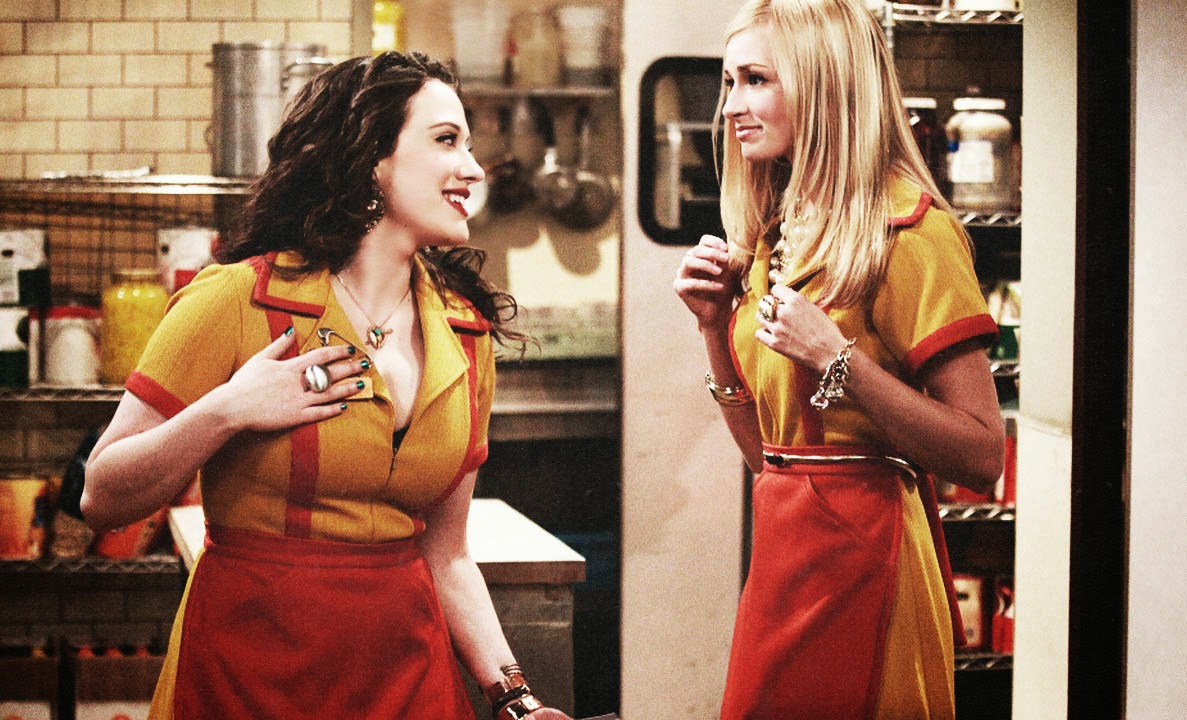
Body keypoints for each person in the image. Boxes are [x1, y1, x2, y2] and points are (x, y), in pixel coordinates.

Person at [81, 51, 570, 720]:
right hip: (249, 678)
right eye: (446, 140)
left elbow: (448, 554)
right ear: (372, 159)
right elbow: (103, 497)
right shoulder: (235, 300)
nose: (474, 168)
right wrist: (227, 411)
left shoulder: (465, 331)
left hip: (405, 680)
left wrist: (515, 697)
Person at [673, 1, 1006, 718]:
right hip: (786, 554)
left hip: (868, 564)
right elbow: (768, 458)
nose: (731, 107)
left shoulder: (908, 233)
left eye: (756, 80)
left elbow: (982, 456)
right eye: (730, 83)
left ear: (824, 84)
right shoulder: (778, 232)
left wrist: (838, 361)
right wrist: (713, 328)